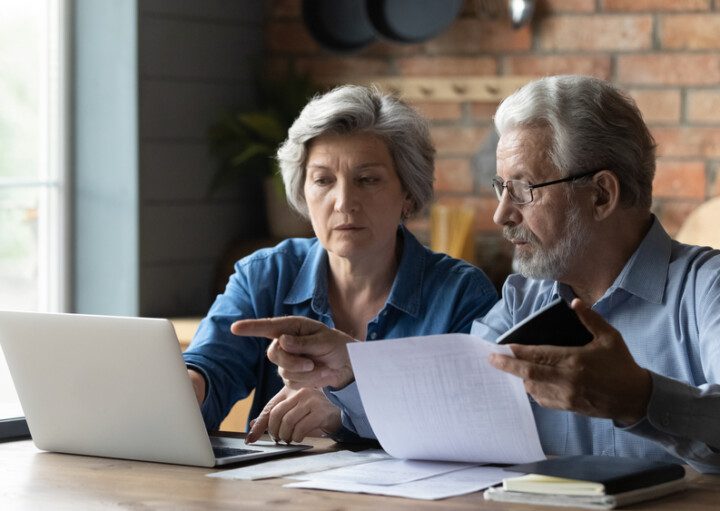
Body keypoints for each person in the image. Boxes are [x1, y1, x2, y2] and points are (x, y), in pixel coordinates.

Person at [234, 75, 720, 474]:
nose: (501, 214)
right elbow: (447, 406)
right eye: (500, 188)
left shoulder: (706, 289)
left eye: (524, 190)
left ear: (601, 195)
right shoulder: (521, 300)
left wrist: (640, 399)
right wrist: (351, 368)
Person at [182, 85, 498, 443]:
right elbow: (211, 367)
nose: (344, 202)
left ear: (408, 193)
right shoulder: (265, 275)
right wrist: (188, 390)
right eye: (323, 180)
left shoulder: (462, 295)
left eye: (367, 180)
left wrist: (347, 409)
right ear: (303, 192)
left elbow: (473, 420)